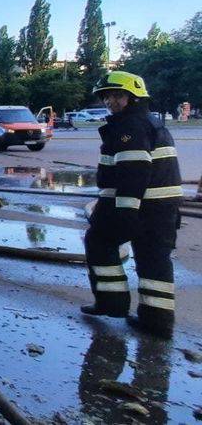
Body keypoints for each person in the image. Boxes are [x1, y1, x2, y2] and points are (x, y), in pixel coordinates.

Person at [81, 71, 181, 339]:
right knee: (154, 260)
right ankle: (157, 320)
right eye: (107, 96)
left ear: (134, 98)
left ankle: (112, 303)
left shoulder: (131, 127)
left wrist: (126, 211)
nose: (111, 101)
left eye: (117, 95)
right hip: (161, 207)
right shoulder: (146, 123)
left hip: (140, 204)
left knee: (98, 241)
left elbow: (134, 173)